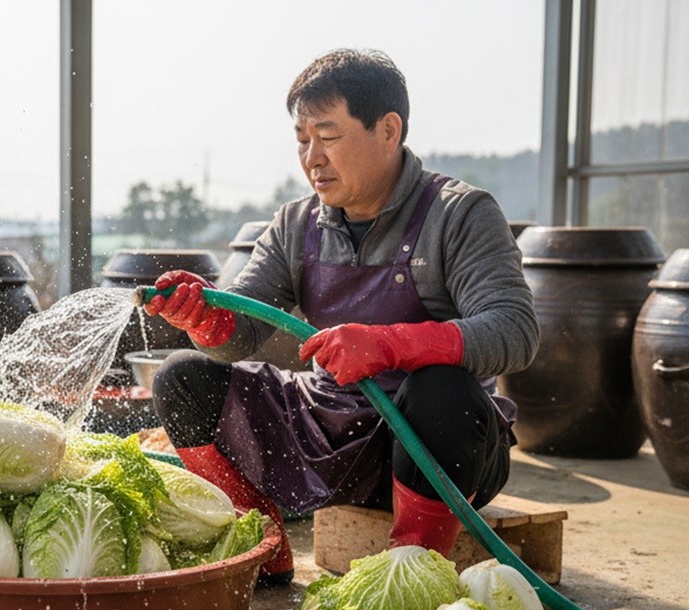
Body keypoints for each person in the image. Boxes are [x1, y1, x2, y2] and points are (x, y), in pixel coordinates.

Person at [143, 49, 539, 583]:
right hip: (327, 436)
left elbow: (514, 330)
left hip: (434, 451)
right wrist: (208, 318)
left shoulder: (458, 214)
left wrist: (390, 344)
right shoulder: (295, 223)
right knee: (182, 378)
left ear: (388, 130)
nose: (313, 158)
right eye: (302, 140)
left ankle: (411, 574)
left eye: (328, 136)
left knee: (442, 390)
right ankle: (260, 550)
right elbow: (243, 330)